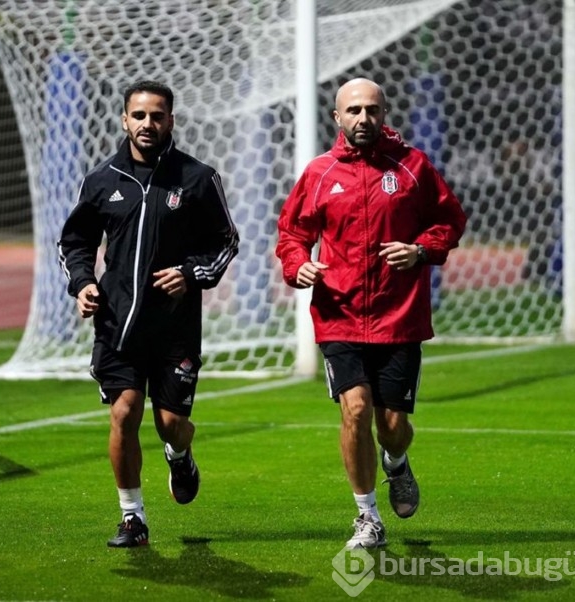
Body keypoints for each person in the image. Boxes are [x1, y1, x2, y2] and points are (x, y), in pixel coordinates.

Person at [275, 77, 467, 549]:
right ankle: (366, 517)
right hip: (339, 314)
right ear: (337, 118)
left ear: (384, 115)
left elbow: (450, 220)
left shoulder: (413, 167)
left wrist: (421, 250)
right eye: (354, 111)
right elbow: (291, 235)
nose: (364, 118)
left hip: (399, 317)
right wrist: (298, 266)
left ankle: (397, 464)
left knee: (393, 427)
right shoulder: (319, 173)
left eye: (372, 110)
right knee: (355, 409)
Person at [58, 80, 239, 548]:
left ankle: (180, 454)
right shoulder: (102, 180)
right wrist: (83, 284)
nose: (147, 124)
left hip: (175, 329)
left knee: (169, 423)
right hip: (117, 325)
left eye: (157, 116)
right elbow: (74, 242)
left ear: (171, 121)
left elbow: (226, 242)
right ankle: (132, 517)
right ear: (124, 120)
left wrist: (192, 272)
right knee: (124, 411)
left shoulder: (197, 178)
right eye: (138, 116)